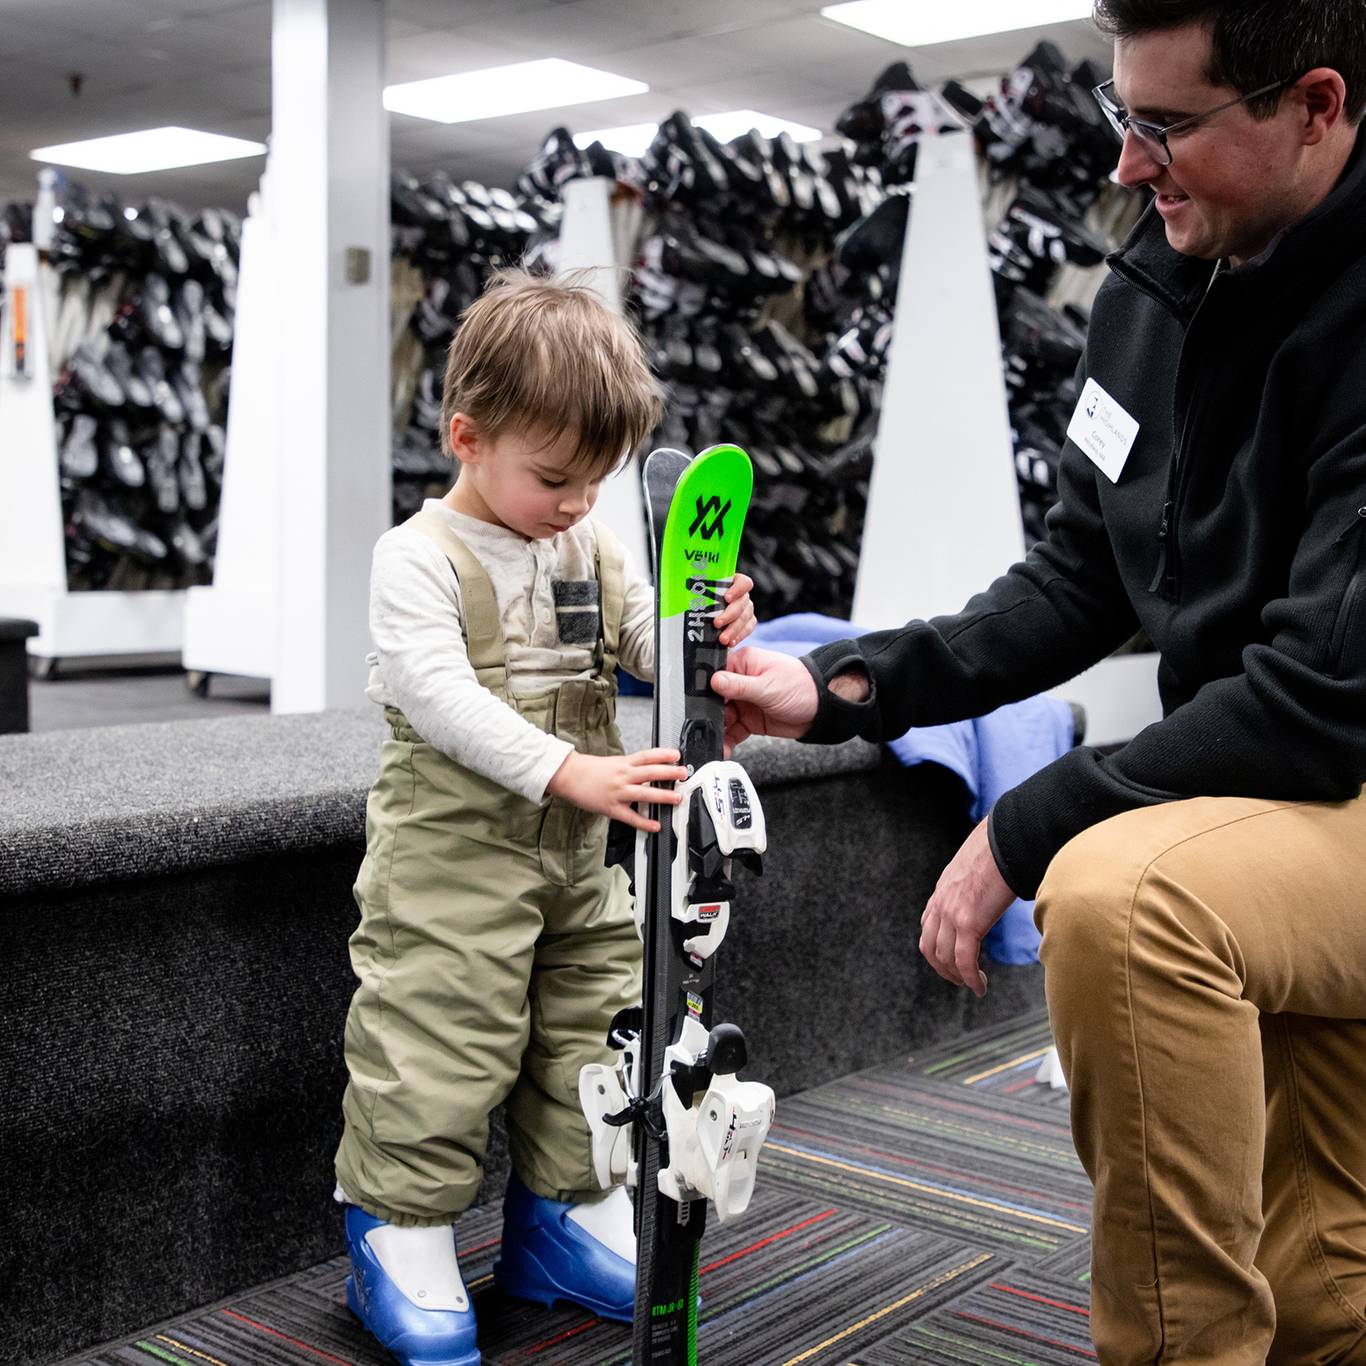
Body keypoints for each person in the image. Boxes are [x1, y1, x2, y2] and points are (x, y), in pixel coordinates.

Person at [712, 3, 1366, 1361]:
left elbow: (1316, 695)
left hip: (1332, 758)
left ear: (1312, 106)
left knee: (1127, 899)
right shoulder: (1163, 277)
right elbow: (1081, 572)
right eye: (1127, 119)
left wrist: (1025, 822)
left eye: (1165, 126)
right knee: (1329, 1271)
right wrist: (841, 685)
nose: (1127, 166)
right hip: (1271, 778)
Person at [333, 269, 756, 1366]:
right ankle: (401, 1229)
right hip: (451, 861)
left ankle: (563, 1217)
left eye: (594, 483)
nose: (574, 504)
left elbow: (645, 650)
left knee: (597, 1030)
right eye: (554, 478)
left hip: (578, 861)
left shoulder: (589, 546)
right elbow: (439, 696)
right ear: (466, 435)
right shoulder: (416, 557)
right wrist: (571, 768)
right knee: (437, 1038)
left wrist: (705, 633)